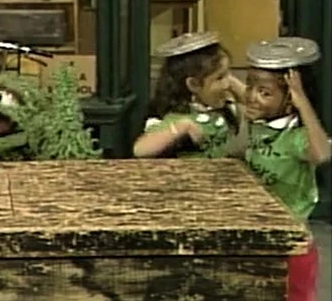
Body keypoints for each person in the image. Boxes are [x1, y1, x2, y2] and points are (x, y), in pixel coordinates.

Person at [243, 37, 330, 301]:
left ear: (290, 100)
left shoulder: (295, 137)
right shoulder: (260, 124)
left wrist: (302, 100)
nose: (252, 97)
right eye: (250, 87)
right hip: (258, 237)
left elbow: (322, 154)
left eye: (265, 93)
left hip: (292, 247)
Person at [133, 32, 244, 158]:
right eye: (219, 78)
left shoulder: (222, 107)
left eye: (228, 74)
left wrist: (231, 83)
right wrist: (181, 128)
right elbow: (140, 150)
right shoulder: (179, 116)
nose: (227, 84)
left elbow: (254, 103)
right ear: (194, 84)